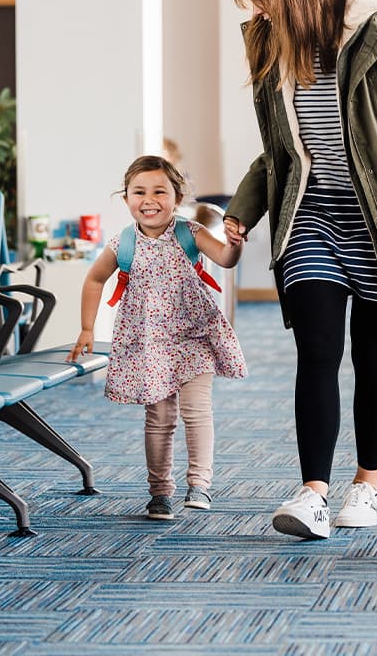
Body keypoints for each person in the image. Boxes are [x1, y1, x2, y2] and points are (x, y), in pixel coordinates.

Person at [223, 0, 377, 541]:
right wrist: (242, 212)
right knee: (316, 353)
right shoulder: (271, 47)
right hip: (310, 217)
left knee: (373, 357)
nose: (256, 14)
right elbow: (276, 155)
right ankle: (313, 490)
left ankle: (367, 487)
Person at [68, 155, 247, 520]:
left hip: (194, 334)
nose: (149, 200)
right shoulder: (124, 243)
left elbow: (226, 260)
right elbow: (94, 279)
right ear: (127, 199)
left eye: (159, 191)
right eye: (139, 192)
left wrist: (236, 243)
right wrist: (87, 328)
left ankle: (200, 484)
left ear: (177, 197)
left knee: (196, 411)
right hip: (150, 342)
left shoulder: (190, 232)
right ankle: (160, 491)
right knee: (160, 418)